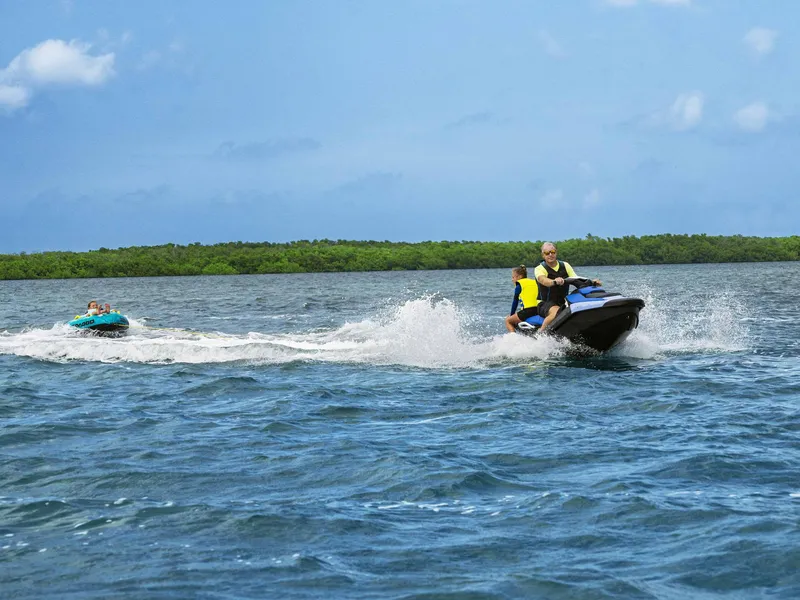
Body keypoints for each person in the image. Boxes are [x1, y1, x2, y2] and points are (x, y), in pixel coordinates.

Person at [534, 242, 601, 330]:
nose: (550, 255)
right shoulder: (539, 269)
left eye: (553, 252)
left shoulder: (565, 265)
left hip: (564, 301)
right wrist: (554, 281)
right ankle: (541, 334)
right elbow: (543, 280)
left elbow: (576, 279)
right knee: (557, 313)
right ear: (543, 255)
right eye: (547, 253)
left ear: (556, 252)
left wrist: (592, 282)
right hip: (545, 303)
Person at [504, 265, 553, 333]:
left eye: (513, 277)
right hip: (539, 310)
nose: (512, 279)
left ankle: (513, 338)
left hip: (527, 312)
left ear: (520, 277)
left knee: (508, 320)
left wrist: (512, 314)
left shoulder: (519, 285)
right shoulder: (535, 282)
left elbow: (515, 302)